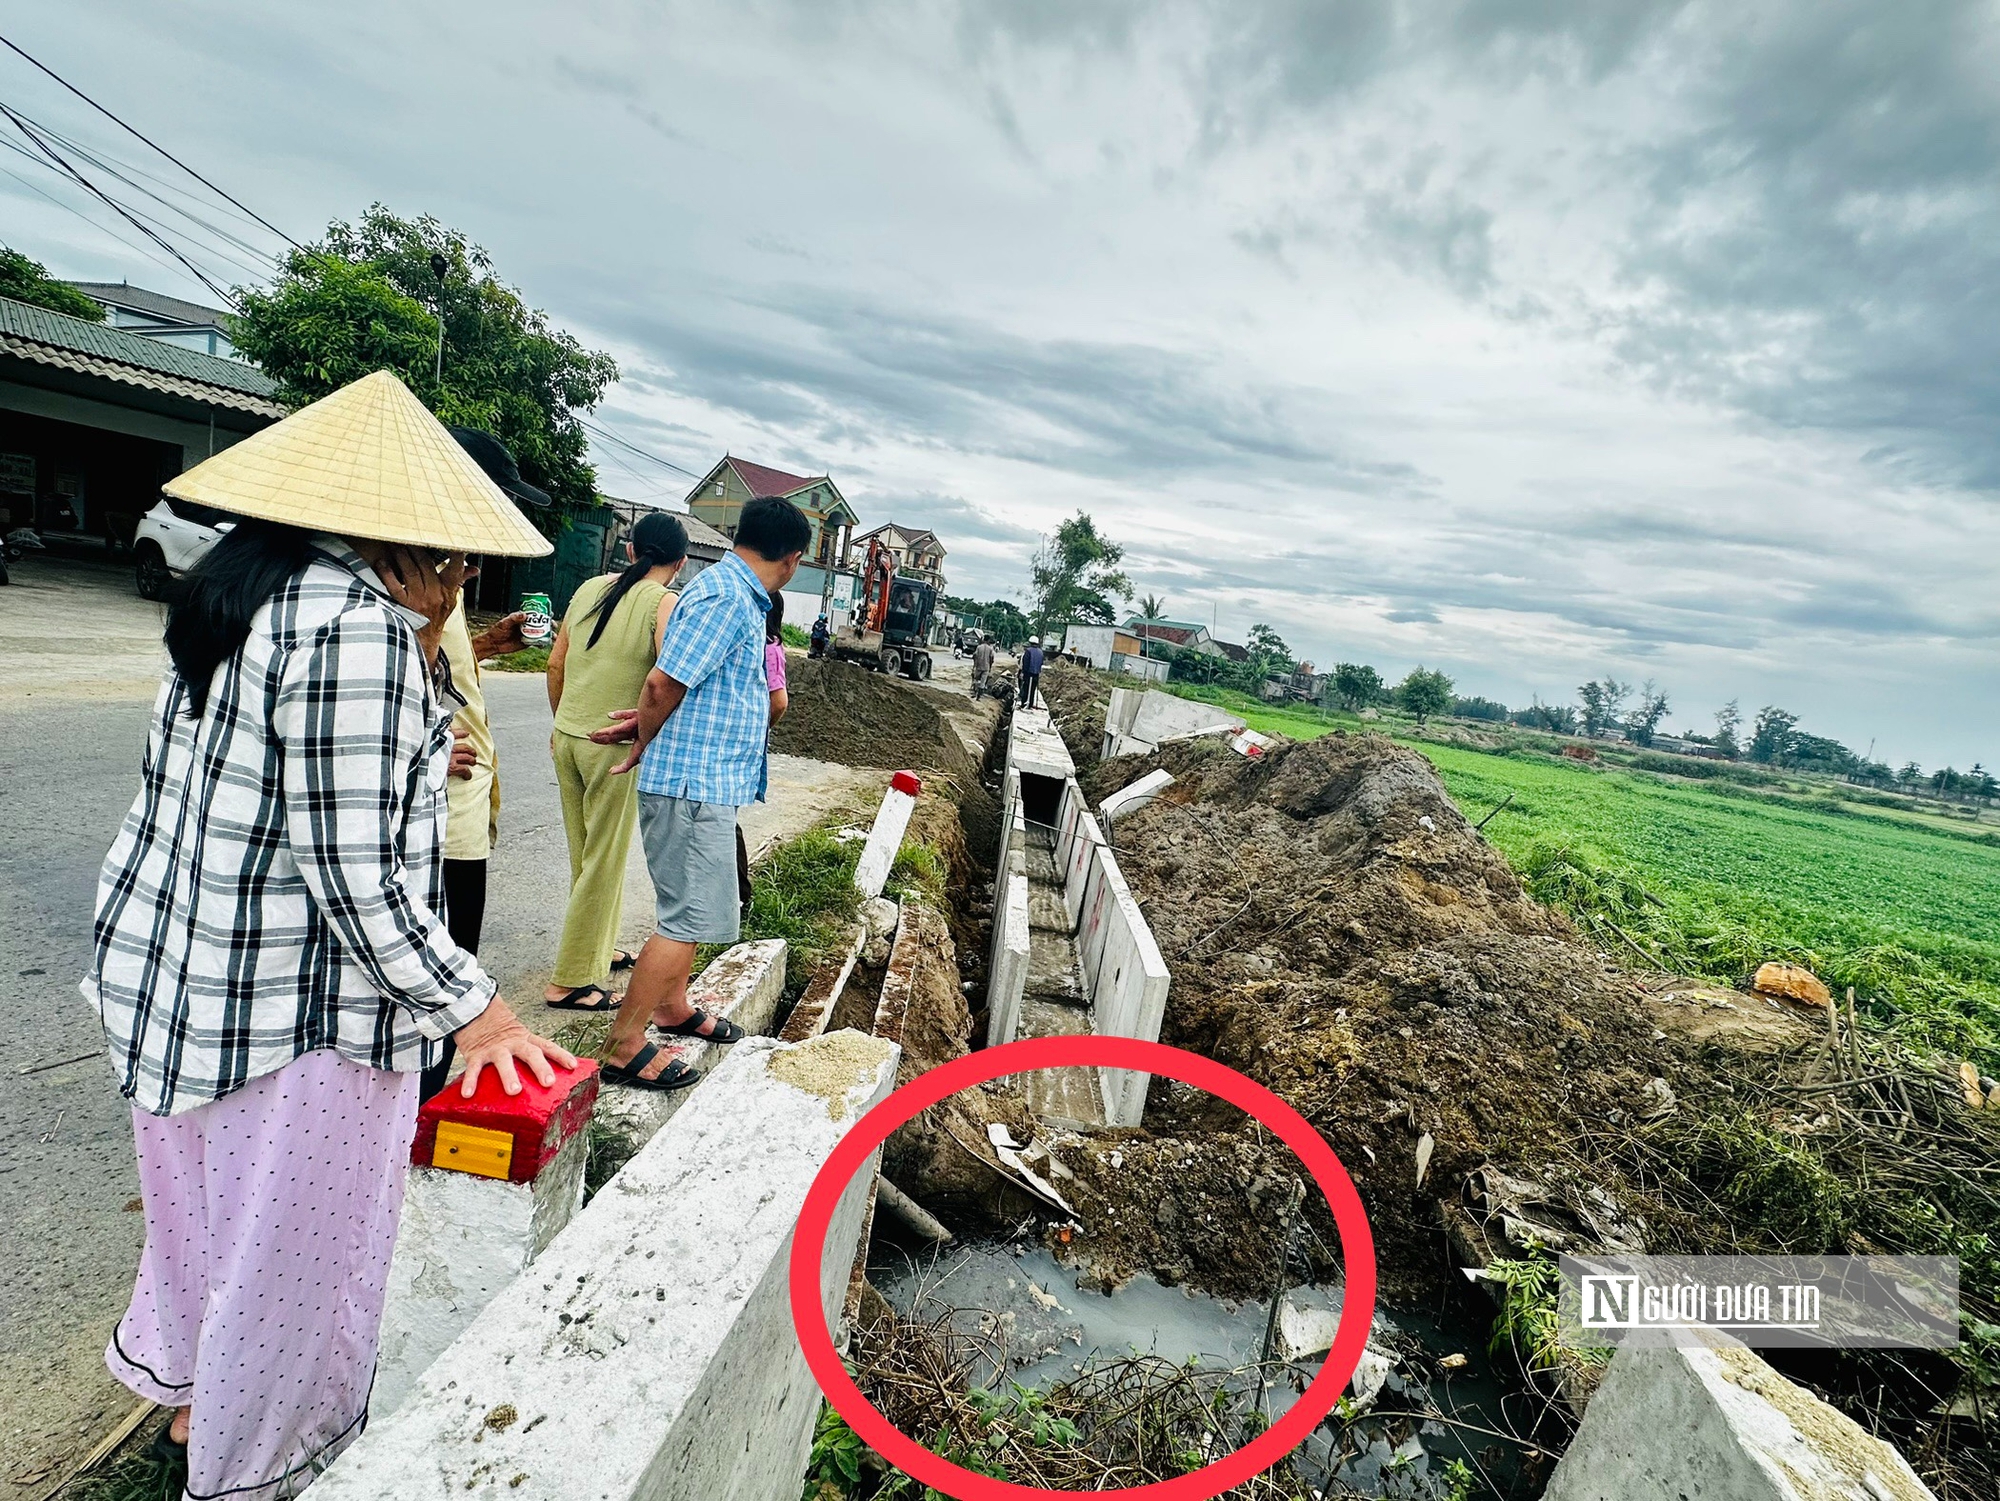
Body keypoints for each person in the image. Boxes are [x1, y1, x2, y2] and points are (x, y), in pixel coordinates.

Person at [81, 371, 572, 1489]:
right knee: (298, 1271)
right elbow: (356, 877)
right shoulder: (355, 629)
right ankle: (258, 1464)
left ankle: (199, 1411)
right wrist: (480, 1011)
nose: (466, 567)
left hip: (181, 986)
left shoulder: (243, 590)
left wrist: (428, 655)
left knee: (206, 1228)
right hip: (292, 1018)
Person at [588, 496, 811, 1089]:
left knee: (695, 911)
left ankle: (672, 1008)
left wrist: (646, 725)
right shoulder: (727, 597)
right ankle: (625, 1043)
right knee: (685, 917)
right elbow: (663, 682)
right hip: (692, 785)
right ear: (792, 559)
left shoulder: (731, 593)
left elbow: (686, 689)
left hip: (704, 780)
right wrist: (644, 739)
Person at [419, 426, 548, 1100]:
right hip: (439, 816)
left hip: (463, 811)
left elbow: (437, 673)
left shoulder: (445, 573)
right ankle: (415, 1111)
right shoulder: (409, 578)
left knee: (448, 965)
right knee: (435, 986)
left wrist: (486, 644)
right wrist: (423, 753)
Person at [539, 513, 688, 1013]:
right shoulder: (664, 601)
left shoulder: (588, 589)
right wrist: (646, 734)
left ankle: (597, 949)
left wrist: (563, 722)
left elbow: (555, 662)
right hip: (615, 746)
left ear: (630, 551)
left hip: (569, 737)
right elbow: (665, 680)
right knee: (603, 861)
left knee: (586, 855)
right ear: (681, 562)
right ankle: (571, 980)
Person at [735, 592, 792, 916]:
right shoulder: (757, 640)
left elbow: (779, 701)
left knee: (725, 818)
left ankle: (741, 896)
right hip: (738, 738)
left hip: (743, 740)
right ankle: (738, 894)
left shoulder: (769, 647)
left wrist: (758, 728)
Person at [1019, 634, 1046, 708]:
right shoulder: (1041, 652)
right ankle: (1030, 704)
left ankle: (1024, 703)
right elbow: (1041, 663)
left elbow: (1025, 663)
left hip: (1028, 674)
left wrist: (1023, 673)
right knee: (1033, 690)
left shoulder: (1028, 651)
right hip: (1036, 674)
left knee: (1026, 689)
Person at [971, 634, 996, 698]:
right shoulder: (990, 649)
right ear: (988, 640)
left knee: (976, 679)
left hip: (979, 666)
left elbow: (975, 656)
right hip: (986, 667)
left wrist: (974, 666)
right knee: (983, 682)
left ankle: (974, 691)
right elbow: (991, 659)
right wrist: (990, 667)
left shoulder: (979, 647)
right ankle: (979, 695)